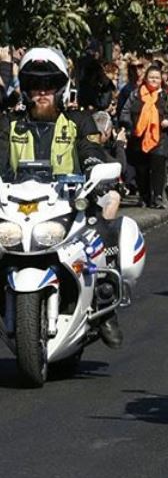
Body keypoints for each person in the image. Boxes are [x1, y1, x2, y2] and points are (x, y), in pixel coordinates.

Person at [0, 47, 124, 346]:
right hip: (17, 204)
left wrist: (96, 168)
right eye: (34, 86)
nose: (41, 93)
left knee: (104, 220)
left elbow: (91, 150)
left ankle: (106, 302)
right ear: (25, 90)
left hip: (69, 201)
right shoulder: (8, 123)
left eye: (49, 86)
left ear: (61, 88)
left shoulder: (79, 121)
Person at [119, 64, 168, 209]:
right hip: (138, 138)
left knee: (158, 167)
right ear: (146, 78)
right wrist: (130, 125)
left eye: (157, 78)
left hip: (159, 138)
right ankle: (144, 196)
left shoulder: (166, 96)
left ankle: (157, 197)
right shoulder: (136, 94)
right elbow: (125, 111)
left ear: (161, 80)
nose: (154, 80)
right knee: (142, 169)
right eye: (151, 77)